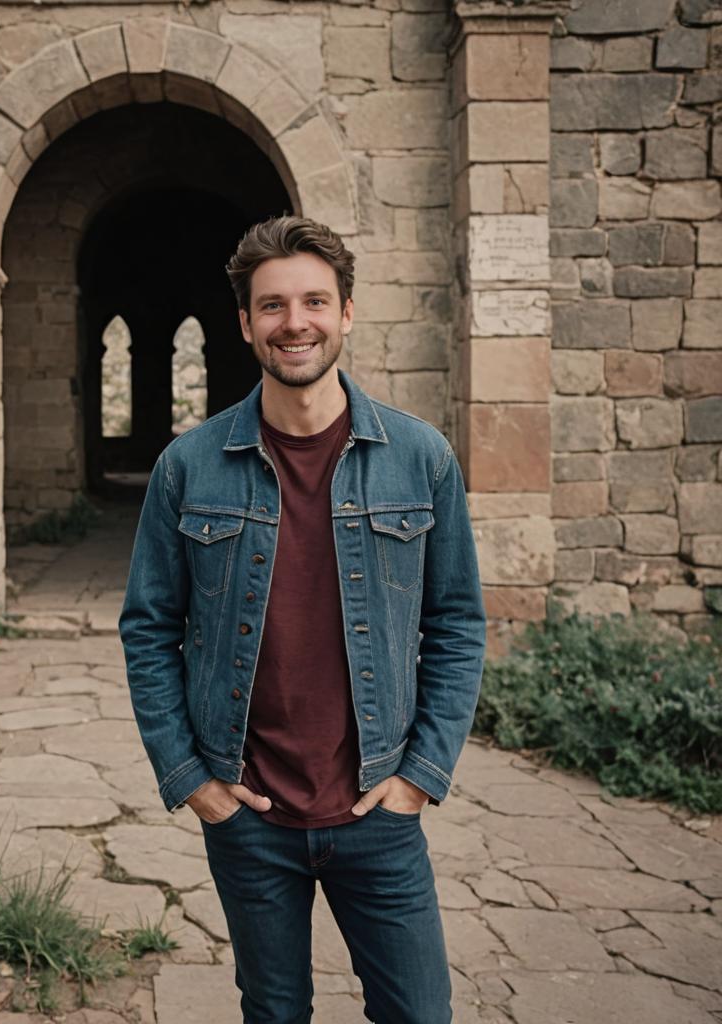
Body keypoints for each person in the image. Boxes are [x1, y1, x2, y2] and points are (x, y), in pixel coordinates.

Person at [118, 215, 486, 1024]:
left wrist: (421, 776)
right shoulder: (189, 466)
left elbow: (458, 622)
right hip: (249, 816)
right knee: (274, 1012)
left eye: (315, 300)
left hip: (378, 813)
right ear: (246, 323)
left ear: (347, 312)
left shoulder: (422, 458)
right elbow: (148, 627)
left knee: (420, 1013)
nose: (297, 322)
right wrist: (193, 782)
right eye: (274, 305)